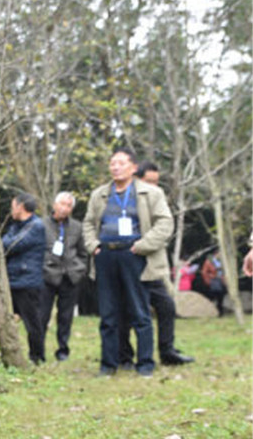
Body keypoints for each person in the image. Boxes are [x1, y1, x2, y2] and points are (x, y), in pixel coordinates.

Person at [83, 148, 173, 377]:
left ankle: (145, 364)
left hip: (135, 255)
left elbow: (165, 224)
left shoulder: (151, 193)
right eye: (112, 163)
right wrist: (93, 246)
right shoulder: (99, 194)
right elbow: (88, 224)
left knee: (139, 311)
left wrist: (142, 246)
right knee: (108, 313)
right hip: (106, 255)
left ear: (133, 168)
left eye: (121, 163)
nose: (115, 167)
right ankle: (108, 364)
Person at [118, 161, 194, 367]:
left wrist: (143, 245)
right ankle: (124, 356)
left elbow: (163, 228)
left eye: (156, 182)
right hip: (126, 266)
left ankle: (167, 351)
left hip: (150, 266)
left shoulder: (157, 201)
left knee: (166, 306)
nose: (153, 186)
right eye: (148, 181)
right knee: (125, 312)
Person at [40, 192, 88, 361]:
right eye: (62, 204)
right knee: (42, 315)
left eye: (68, 205)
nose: (65, 208)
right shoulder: (41, 224)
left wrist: (80, 269)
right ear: (54, 205)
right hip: (47, 276)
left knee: (65, 316)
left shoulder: (77, 227)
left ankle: (63, 350)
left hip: (70, 276)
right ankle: (39, 350)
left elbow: (83, 252)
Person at [2, 192, 47, 365]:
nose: (11, 210)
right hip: (13, 279)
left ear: (21, 207)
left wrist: (7, 242)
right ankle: (10, 356)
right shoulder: (16, 226)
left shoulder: (36, 226)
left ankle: (37, 357)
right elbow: (3, 242)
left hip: (27, 281)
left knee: (32, 322)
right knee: (8, 321)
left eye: (13, 206)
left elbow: (11, 245)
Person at [201, 250, 227, 316]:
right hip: (214, 280)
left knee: (221, 297)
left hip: (221, 280)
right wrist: (208, 281)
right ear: (216, 254)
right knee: (215, 295)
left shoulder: (222, 261)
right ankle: (213, 312)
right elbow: (204, 272)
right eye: (220, 254)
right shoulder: (209, 261)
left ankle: (220, 312)